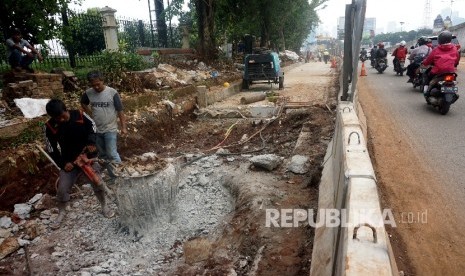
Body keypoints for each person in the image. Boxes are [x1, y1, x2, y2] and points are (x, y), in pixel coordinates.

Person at [44, 99, 115, 229]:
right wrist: (63, 163)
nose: (61, 120)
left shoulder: (80, 115)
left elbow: (93, 128)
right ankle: (61, 212)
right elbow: (51, 149)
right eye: (57, 118)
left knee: (96, 182)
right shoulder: (49, 126)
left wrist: (92, 143)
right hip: (69, 161)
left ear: (66, 110)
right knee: (62, 189)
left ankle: (104, 206)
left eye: (63, 116)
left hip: (88, 156)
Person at [81, 71, 127, 181]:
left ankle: (122, 177)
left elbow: (120, 111)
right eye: (93, 85)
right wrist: (89, 113)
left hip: (110, 128)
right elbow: (83, 102)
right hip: (96, 130)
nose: (96, 87)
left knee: (112, 153)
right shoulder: (89, 93)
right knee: (103, 155)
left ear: (102, 81)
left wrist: (123, 127)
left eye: (98, 84)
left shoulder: (112, 93)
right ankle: (113, 177)